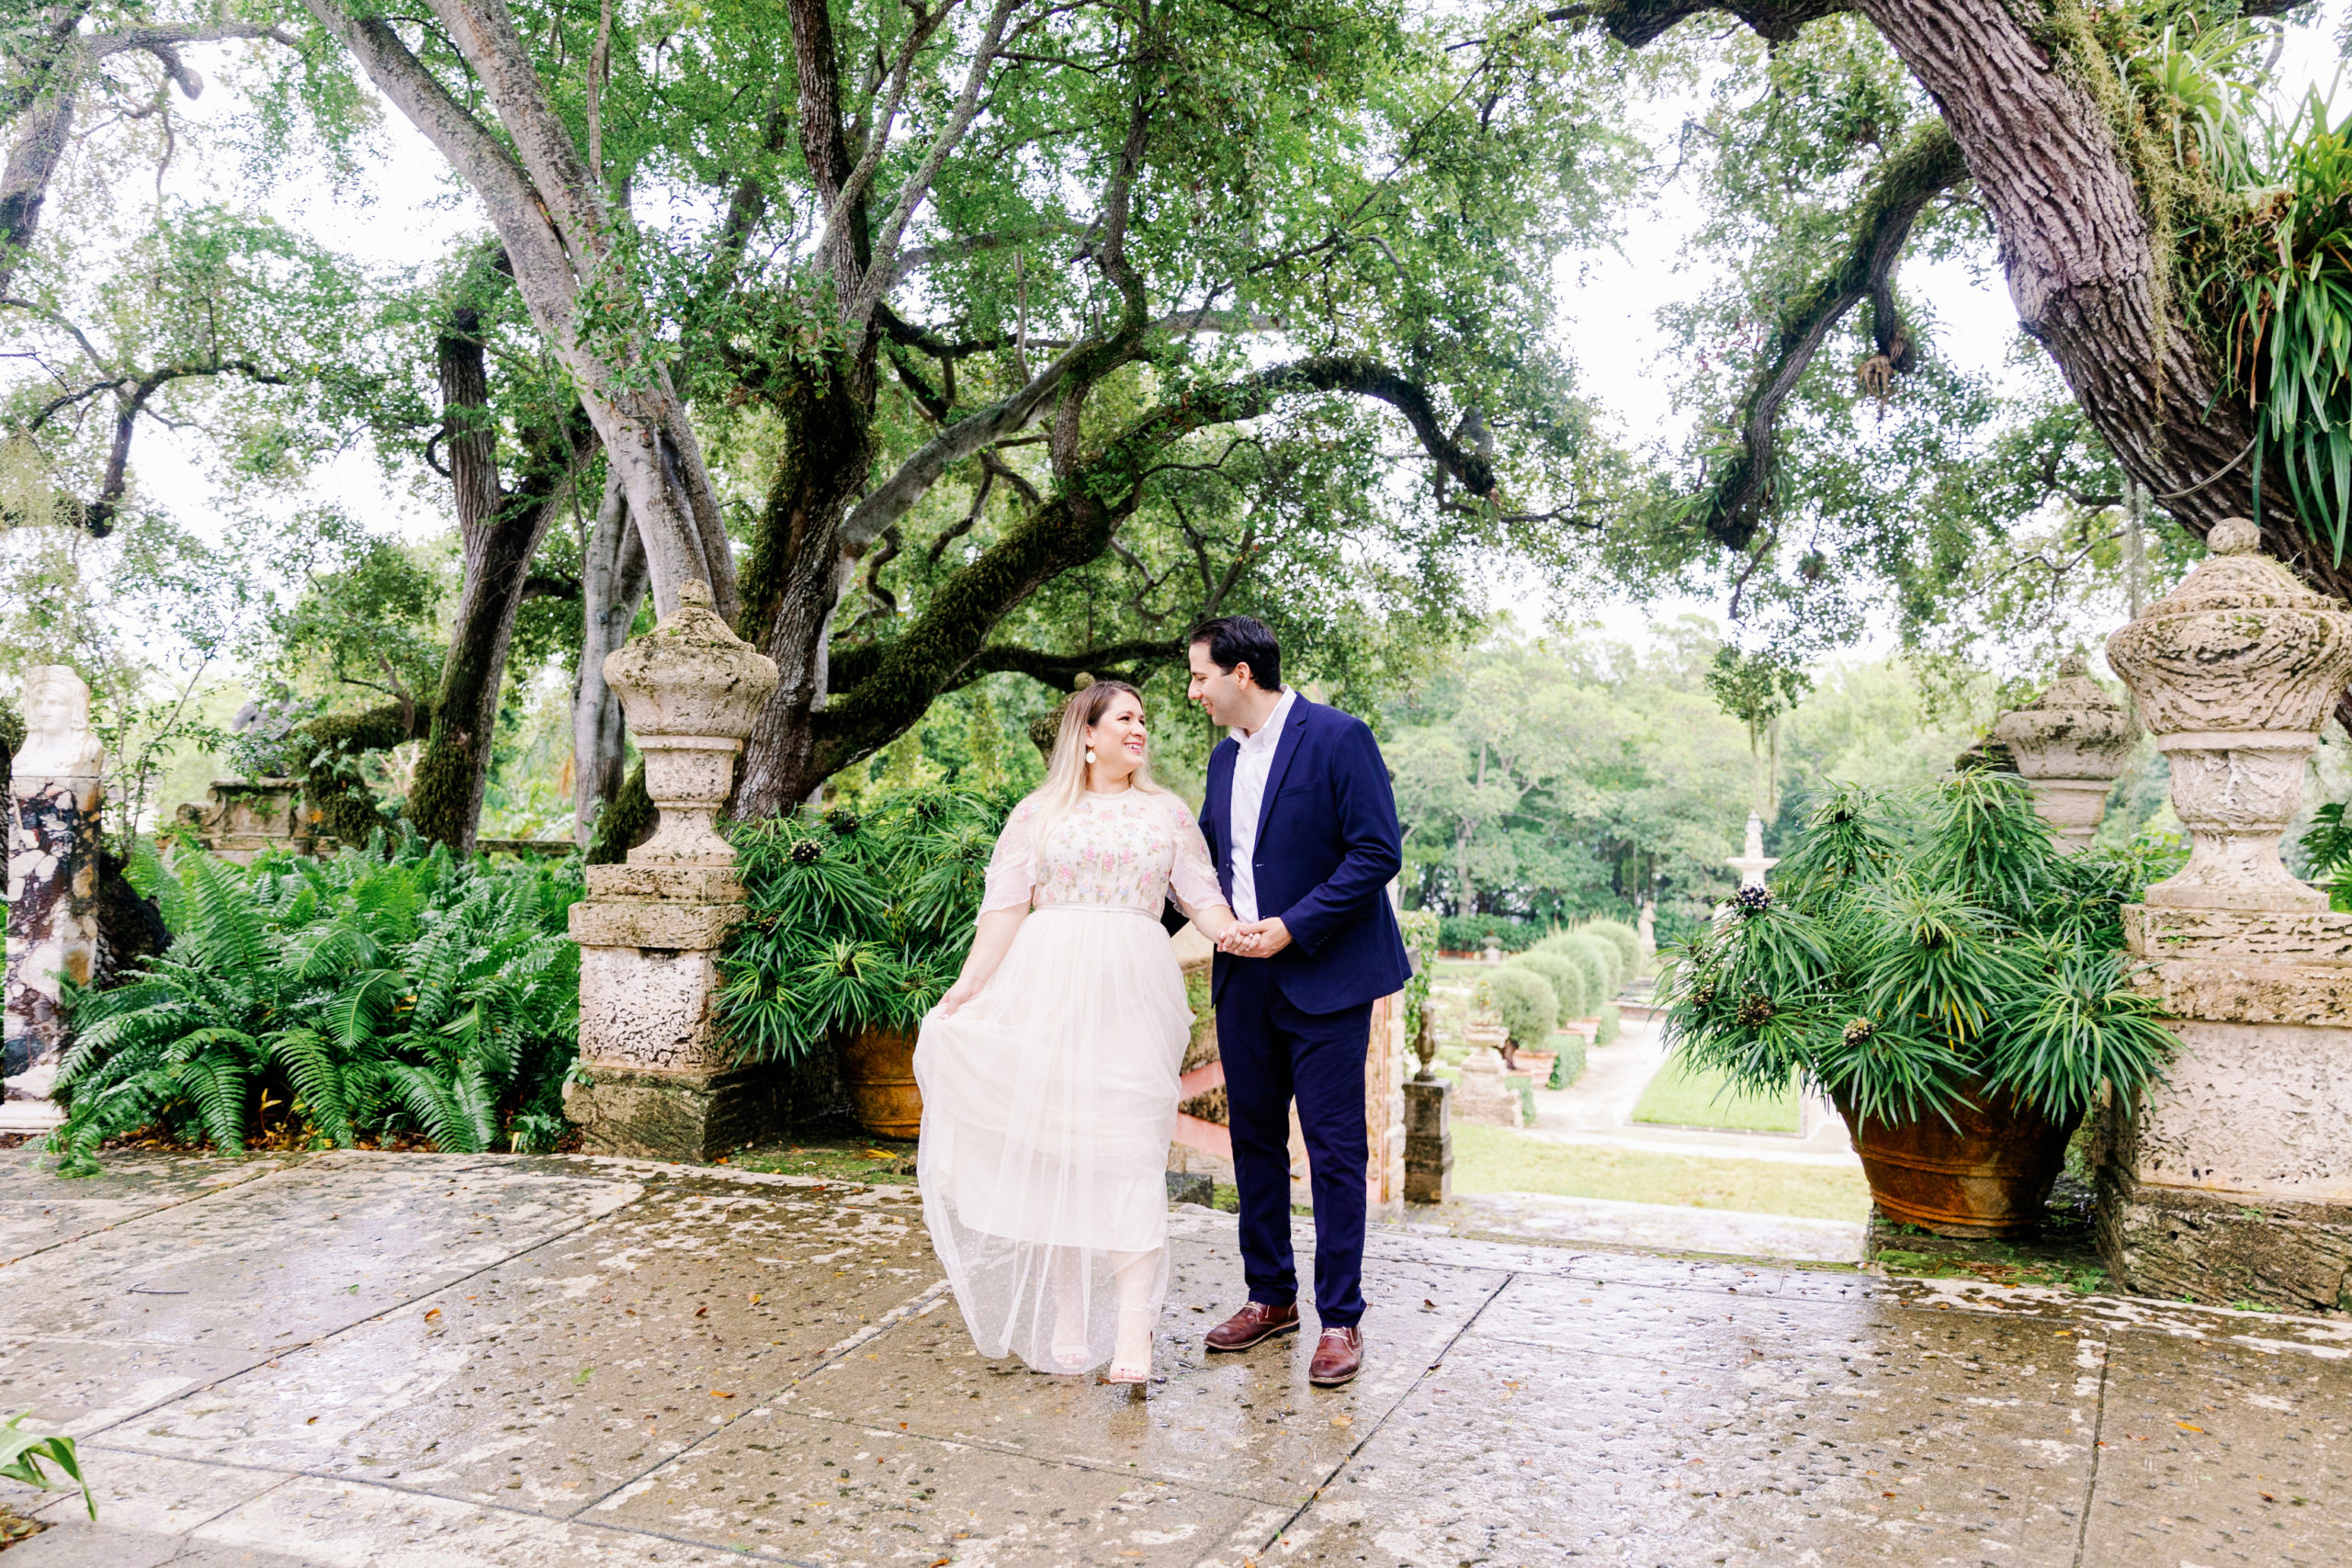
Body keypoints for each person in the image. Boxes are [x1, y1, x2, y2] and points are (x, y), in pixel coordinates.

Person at [914, 680, 1239, 1383]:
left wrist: (1237, 934)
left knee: (1128, 1148)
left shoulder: (1167, 813)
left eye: (1144, 719)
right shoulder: (1038, 813)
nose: (1140, 729)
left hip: (1133, 992)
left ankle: (1133, 1332)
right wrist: (966, 990)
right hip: (1048, 987)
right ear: (1086, 734)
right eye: (1126, 717)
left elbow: (1204, 900)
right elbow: (1002, 911)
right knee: (1062, 1149)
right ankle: (1066, 1314)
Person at [1188, 616, 1410, 1389]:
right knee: (1253, 1142)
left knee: (1336, 1150)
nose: (1194, 692)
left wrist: (1292, 926)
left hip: (1325, 976)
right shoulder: (1221, 761)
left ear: (1241, 672)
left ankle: (1340, 1318)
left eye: (1200, 677)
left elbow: (1377, 850)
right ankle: (1269, 1296)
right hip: (1242, 980)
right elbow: (1211, 868)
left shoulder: (1340, 737)